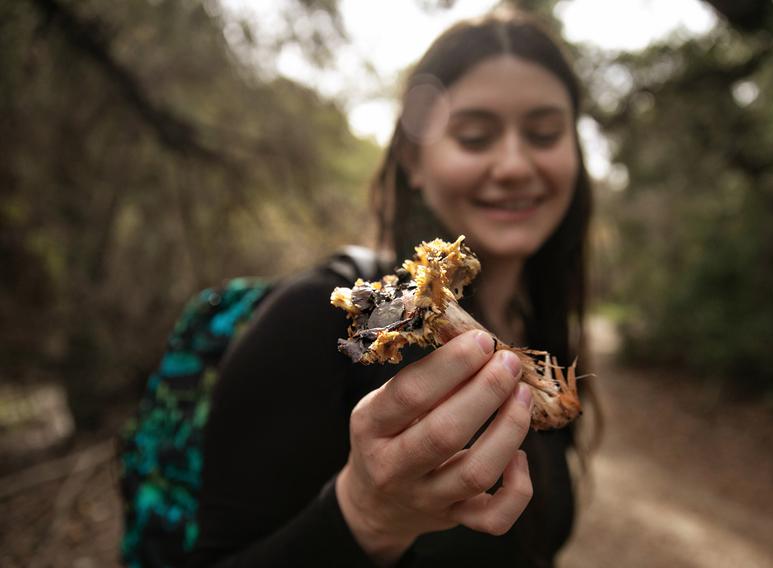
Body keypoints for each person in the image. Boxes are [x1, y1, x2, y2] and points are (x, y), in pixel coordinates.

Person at [191, 8, 593, 567]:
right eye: (475, 136)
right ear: (413, 159)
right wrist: (364, 516)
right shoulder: (325, 322)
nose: (514, 164)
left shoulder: (543, 329)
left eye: (545, 134)